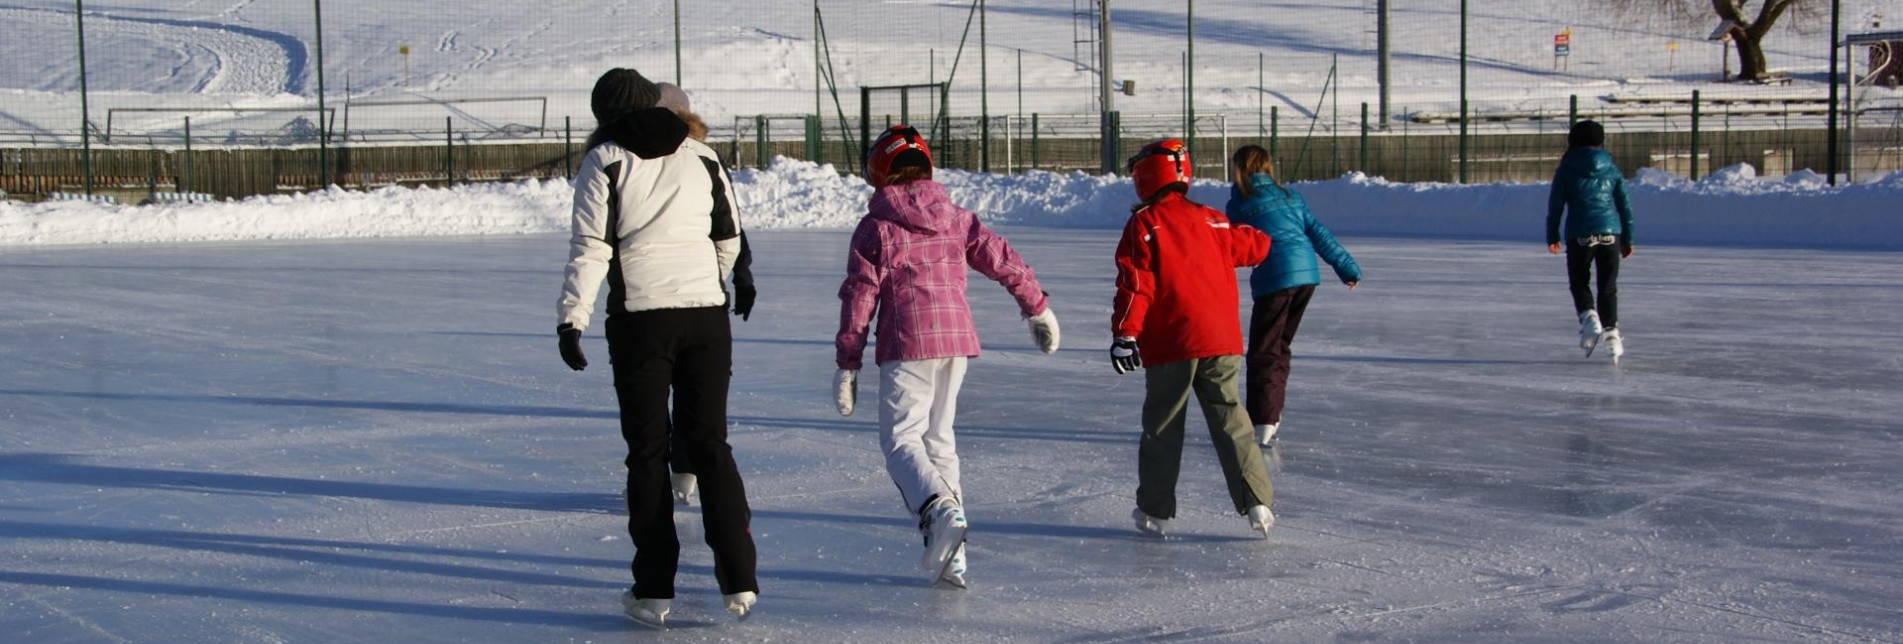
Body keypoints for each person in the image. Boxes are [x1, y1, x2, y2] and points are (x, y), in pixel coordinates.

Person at [555, 67, 756, 626]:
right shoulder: (702, 154)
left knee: (647, 453)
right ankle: (739, 579)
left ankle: (653, 592)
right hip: (706, 320)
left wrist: (573, 319)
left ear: (603, 117)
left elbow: (590, 248)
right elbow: (728, 235)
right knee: (710, 443)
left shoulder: (605, 161)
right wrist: (712, 287)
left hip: (641, 322)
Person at [834, 124, 1060, 588]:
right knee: (939, 440)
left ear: (879, 171)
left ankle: (938, 511)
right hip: (955, 341)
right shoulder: (956, 217)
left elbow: (860, 297)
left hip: (907, 343)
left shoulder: (876, 225)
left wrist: (848, 363)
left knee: (901, 442)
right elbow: (1002, 257)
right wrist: (1036, 305)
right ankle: (953, 556)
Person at [1111, 139, 1276, 539]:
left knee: (1163, 426)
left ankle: (1155, 511)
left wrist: (1125, 334)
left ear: (1147, 177)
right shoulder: (1214, 220)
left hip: (1172, 342)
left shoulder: (1146, 224)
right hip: (1221, 340)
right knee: (1232, 421)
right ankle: (1258, 502)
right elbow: (1256, 245)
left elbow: (1136, 286)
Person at [648, 81, 757, 508]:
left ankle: (676, 472)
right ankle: (685, 472)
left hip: (658, 297)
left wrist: (740, 276)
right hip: (706, 295)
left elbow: (730, 224)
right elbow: (731, 227)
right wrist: (737, 277)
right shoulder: (705, 157)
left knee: (666, 394)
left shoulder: (653, 157)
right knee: (694, 394)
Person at [1223, 145, 1361, 447]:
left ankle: (1263, 419)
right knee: (1279, 345)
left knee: (1264, 351)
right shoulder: (1290, 197)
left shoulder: (1239, 206)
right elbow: (1319, 234)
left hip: (1275, 279)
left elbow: (1232, 248)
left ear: (1238, 170)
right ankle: (1271, 415)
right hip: (1306, 277)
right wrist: (1347, 268)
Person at [1546, 119, 1635, 363]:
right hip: (1610, 234)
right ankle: (1612, 336)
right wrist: (1628, 238)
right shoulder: (1612, 168)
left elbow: (1556, 206)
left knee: (1579, 282)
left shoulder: (1566, 169)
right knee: (1608, 287)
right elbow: (1624, 206)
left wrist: (1552, 235)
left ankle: (1589, 317)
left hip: (1580, 234)